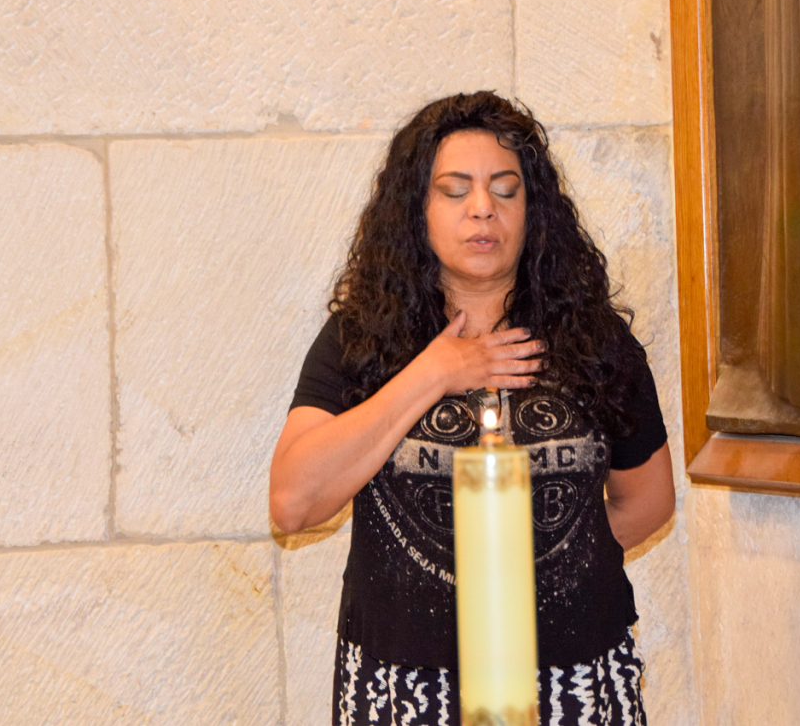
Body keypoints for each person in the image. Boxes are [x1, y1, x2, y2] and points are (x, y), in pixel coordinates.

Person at [269, 91, 675, 726]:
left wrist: (535, 576)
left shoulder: (595, 341)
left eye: (505, 189)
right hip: (406, 688)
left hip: (571, 683)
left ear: (533, 210)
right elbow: (294, 502)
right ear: (418, 210)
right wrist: (434, 373)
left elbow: (649, 500)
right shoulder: (362, 338)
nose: (482, 207)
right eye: (455, 190)